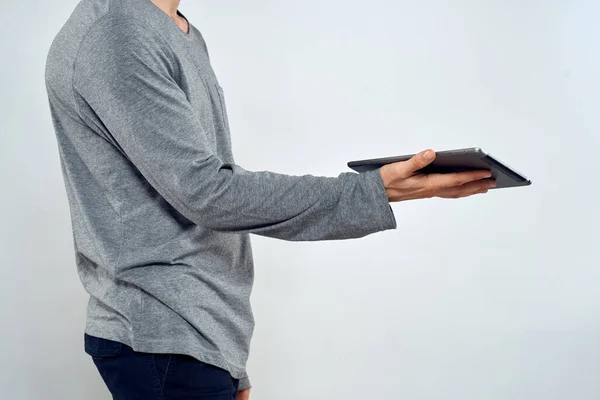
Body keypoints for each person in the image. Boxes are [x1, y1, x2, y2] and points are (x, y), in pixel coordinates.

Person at [44, 0, 495, 398]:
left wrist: (228, 359)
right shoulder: (115, 33)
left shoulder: (174, 29)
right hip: (162, 337)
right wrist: (371, 190)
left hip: (196, 338)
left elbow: (204, 187)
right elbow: (208, 193)